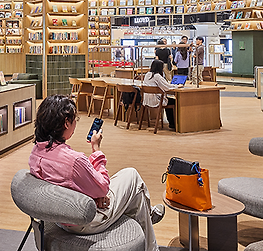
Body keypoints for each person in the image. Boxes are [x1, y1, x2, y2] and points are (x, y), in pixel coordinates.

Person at [29, 95, 164, 251]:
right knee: (132, 177)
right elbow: (103, 187)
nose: (75, 123)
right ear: (66, 123)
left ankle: (148, 217)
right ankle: (150, 225)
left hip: (60, 216)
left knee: (133, 191)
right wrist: (96, 149)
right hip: (84, 221)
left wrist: (94, 196)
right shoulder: (74, 161)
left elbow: (64, 186)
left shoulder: (35, 154)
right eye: (75, 120)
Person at [143, 60, 176, 129]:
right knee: (174, 101)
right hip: (156, 101)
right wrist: (177, 86)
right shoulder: (157, 76)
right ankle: (173, 124)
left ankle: (172, 123)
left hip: (147, 100)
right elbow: (167, 87)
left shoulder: (147, 75)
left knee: (168, 100)